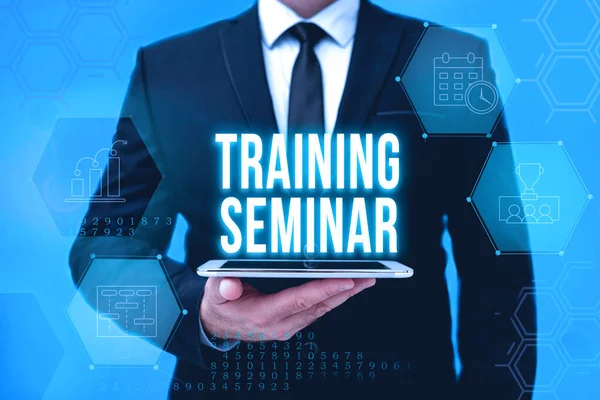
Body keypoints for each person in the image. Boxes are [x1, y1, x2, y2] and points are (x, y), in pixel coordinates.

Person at [69, 0, 536, 398]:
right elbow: (103, 249)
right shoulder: (170, 70)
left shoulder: (447, 60)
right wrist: (199, 314)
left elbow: (499, 264)